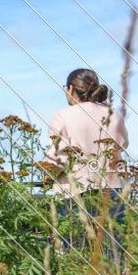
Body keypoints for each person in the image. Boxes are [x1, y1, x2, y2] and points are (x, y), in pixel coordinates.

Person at [43, 68, 128, 263]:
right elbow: (122, 143)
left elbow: (58, 158)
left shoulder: (62, 115)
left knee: (77, 257)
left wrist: (48, 177)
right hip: (112, 189)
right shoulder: (114, 114)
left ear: (71, 89)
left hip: (74, 192)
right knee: (113, 255)